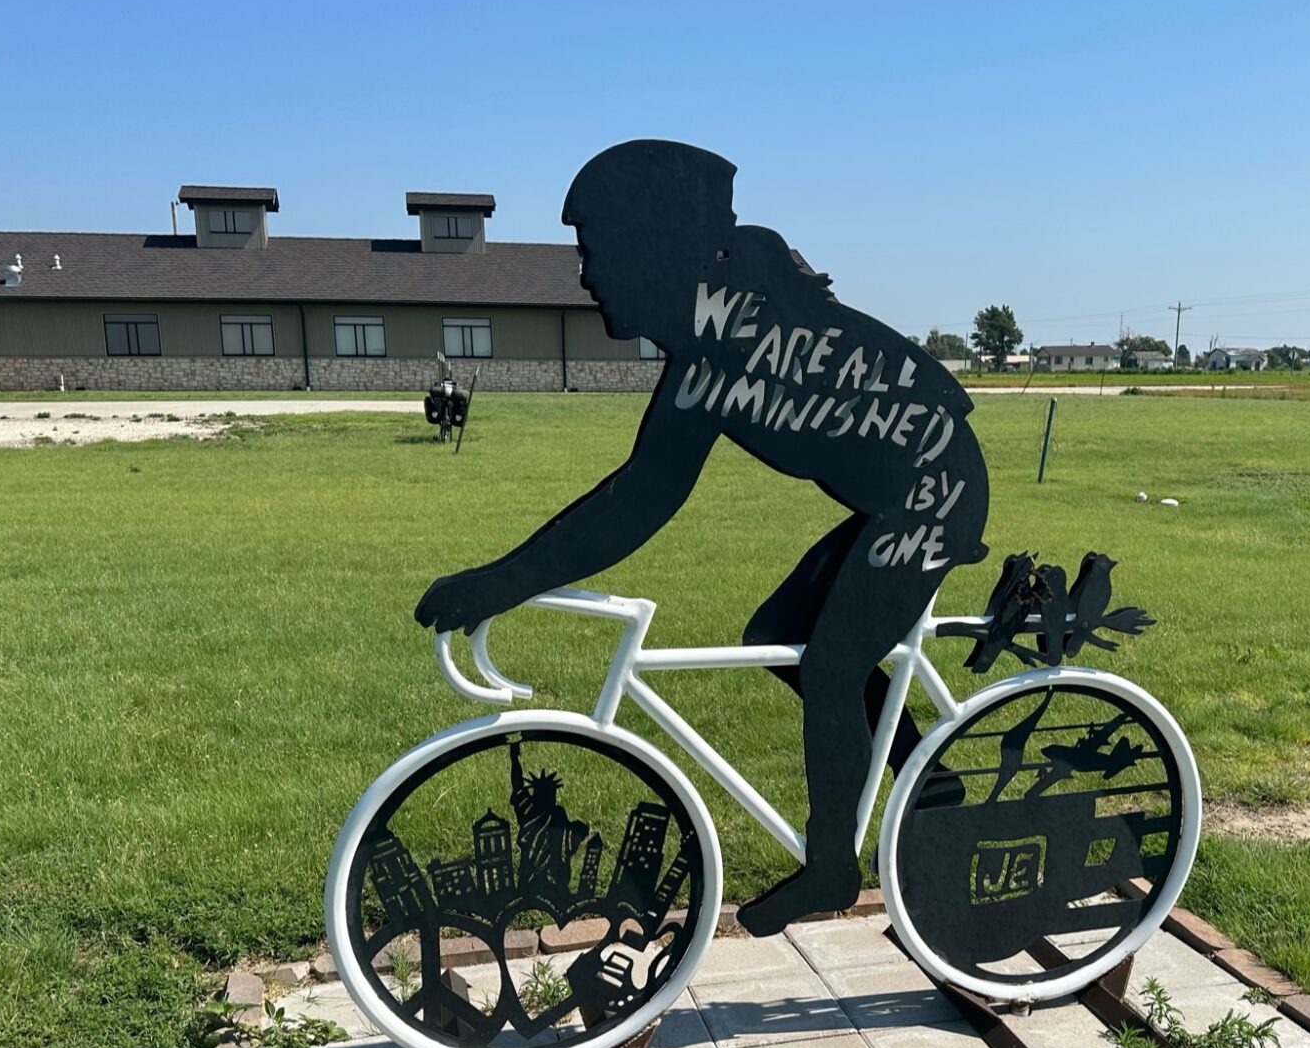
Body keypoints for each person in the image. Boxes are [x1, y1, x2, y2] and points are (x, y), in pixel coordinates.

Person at [415, 140, 990, 933]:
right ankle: (929, 783)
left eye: (594, 252)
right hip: (900, 486)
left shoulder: (728, 343)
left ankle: (831, 868)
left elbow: (634, 505)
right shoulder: (711, 344)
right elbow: (632, 500)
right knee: (777, 633)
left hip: (933, 483)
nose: (585, 276)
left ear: (650, 251)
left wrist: (499, 582)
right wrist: (503, 579)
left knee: (830, 664)